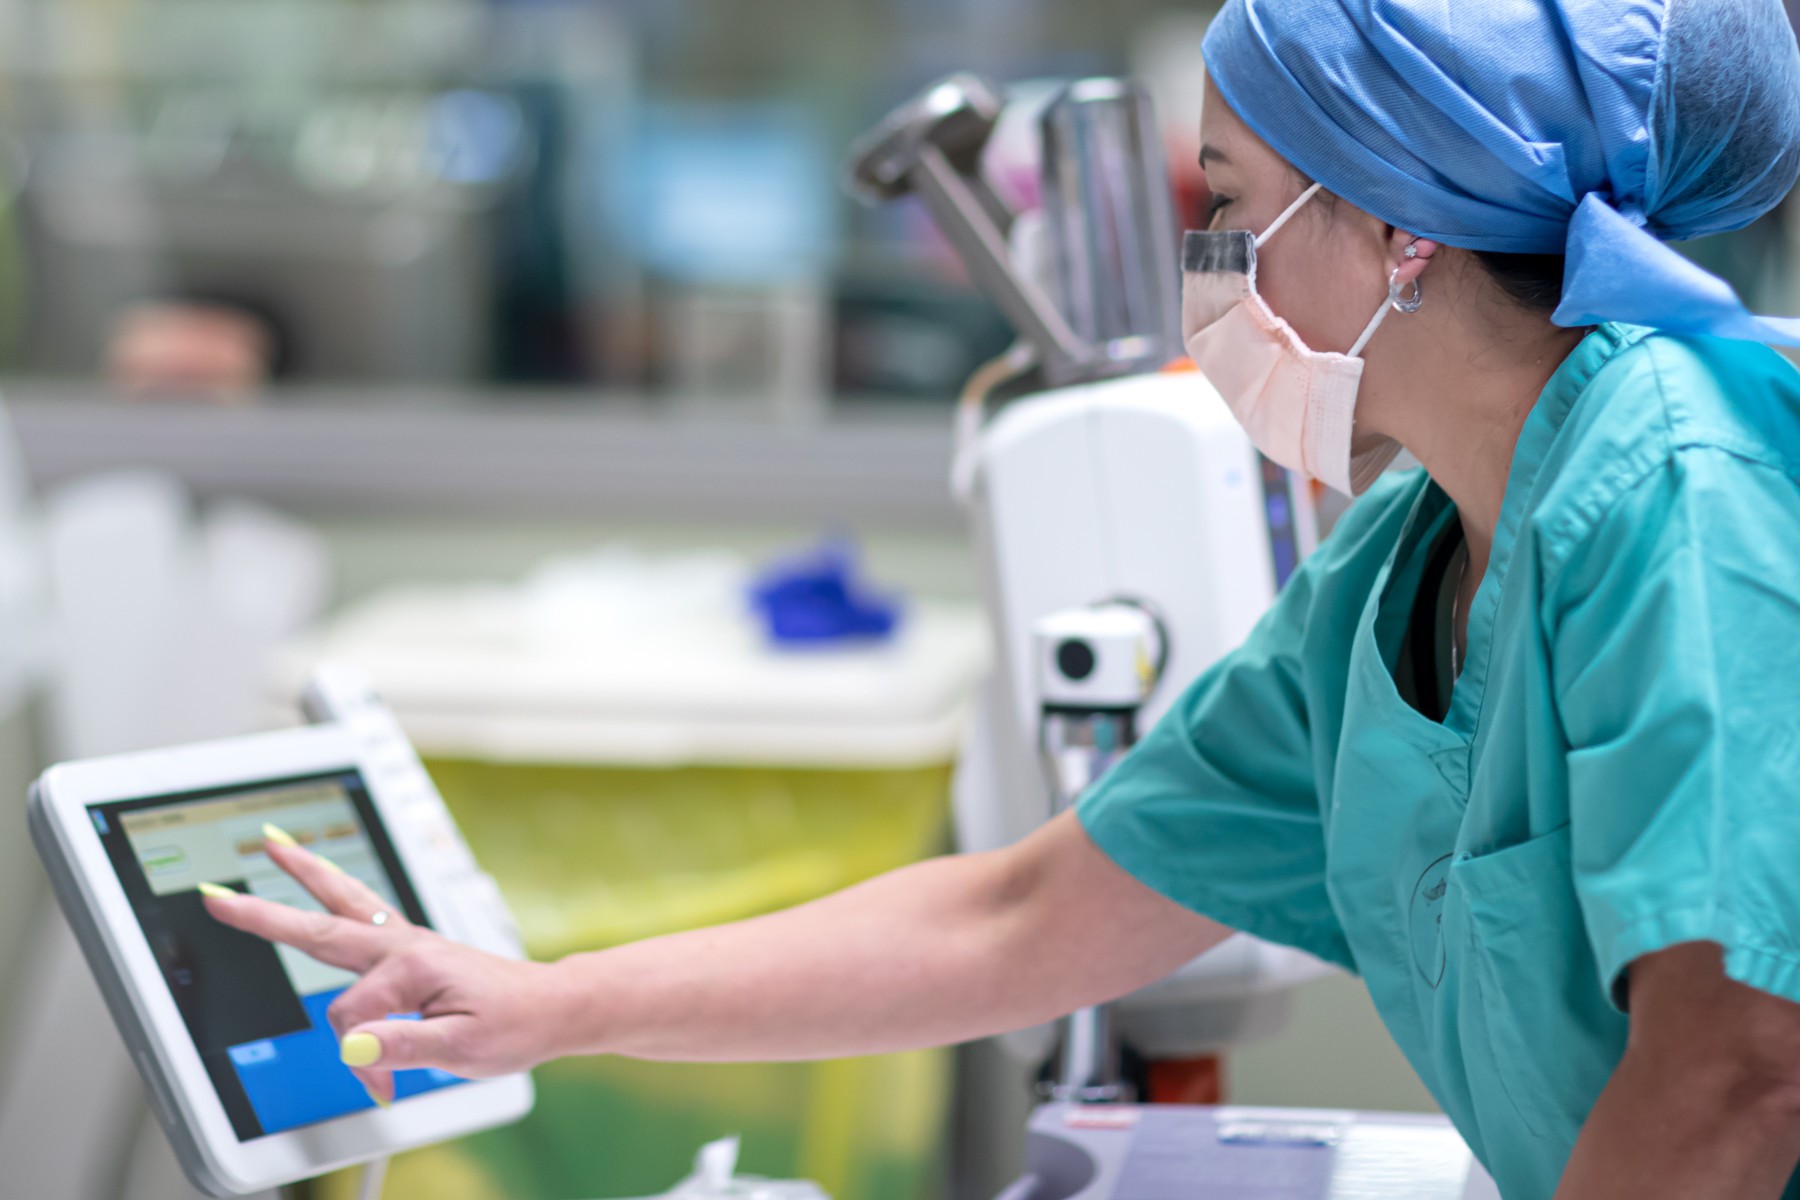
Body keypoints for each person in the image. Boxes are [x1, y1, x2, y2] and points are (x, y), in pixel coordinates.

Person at [203, 1, 1800, 1195]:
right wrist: (547, 1006)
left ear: (1397, 227)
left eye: (1228, 206)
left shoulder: (1684, 490)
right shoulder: (1400, 567)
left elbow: (1741, 1067)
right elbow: (1022, 914)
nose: (1208, 264)